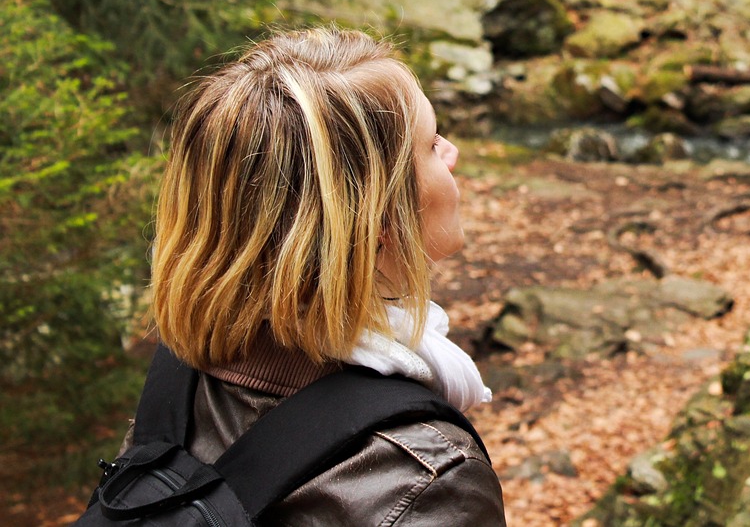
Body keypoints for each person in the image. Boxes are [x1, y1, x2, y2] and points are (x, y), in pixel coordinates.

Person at [137, 26, 506, 524]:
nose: (451, 153)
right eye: (430, 144)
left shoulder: (181, 376)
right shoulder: (427, 482)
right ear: (377, 222)